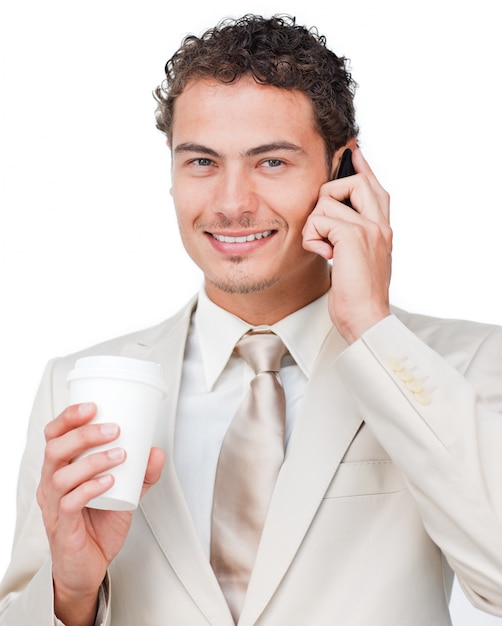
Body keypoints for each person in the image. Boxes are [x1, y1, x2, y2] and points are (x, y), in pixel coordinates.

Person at [0, 13, 501, 626]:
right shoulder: (79, 384)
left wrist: (372, 328)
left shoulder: (466, 365)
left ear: (341, 172)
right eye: (203, 162)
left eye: (271, 162)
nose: (232, 204)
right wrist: (70, 595)